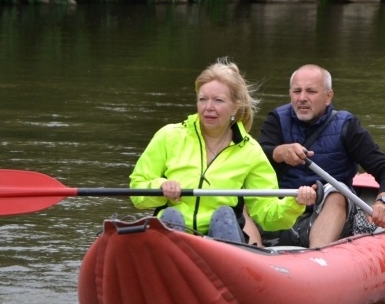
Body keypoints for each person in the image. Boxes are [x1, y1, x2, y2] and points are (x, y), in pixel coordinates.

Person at [129, 57, 317, 245]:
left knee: (224, 214)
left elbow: (268, 215)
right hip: (176, 233)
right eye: (203, 99)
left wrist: (295, 203)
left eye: (218, 100)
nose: (208, 107)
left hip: (221, 241)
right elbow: (137, 191)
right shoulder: (169, 136)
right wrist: (160, 187)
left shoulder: (250, 151)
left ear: (235, 106)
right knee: (171, 214)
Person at [257, 64, 385, 248]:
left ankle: (316, 256)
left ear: (328, 96)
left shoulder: (347, 126)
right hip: (281, 212)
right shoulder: (276, 119)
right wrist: (280, 152)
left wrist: (383, 202)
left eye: (311, 91)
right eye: (296, 91)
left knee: (337, 190)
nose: (302, 98)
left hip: (329, 211)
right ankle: (250, 252)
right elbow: (255, 158)